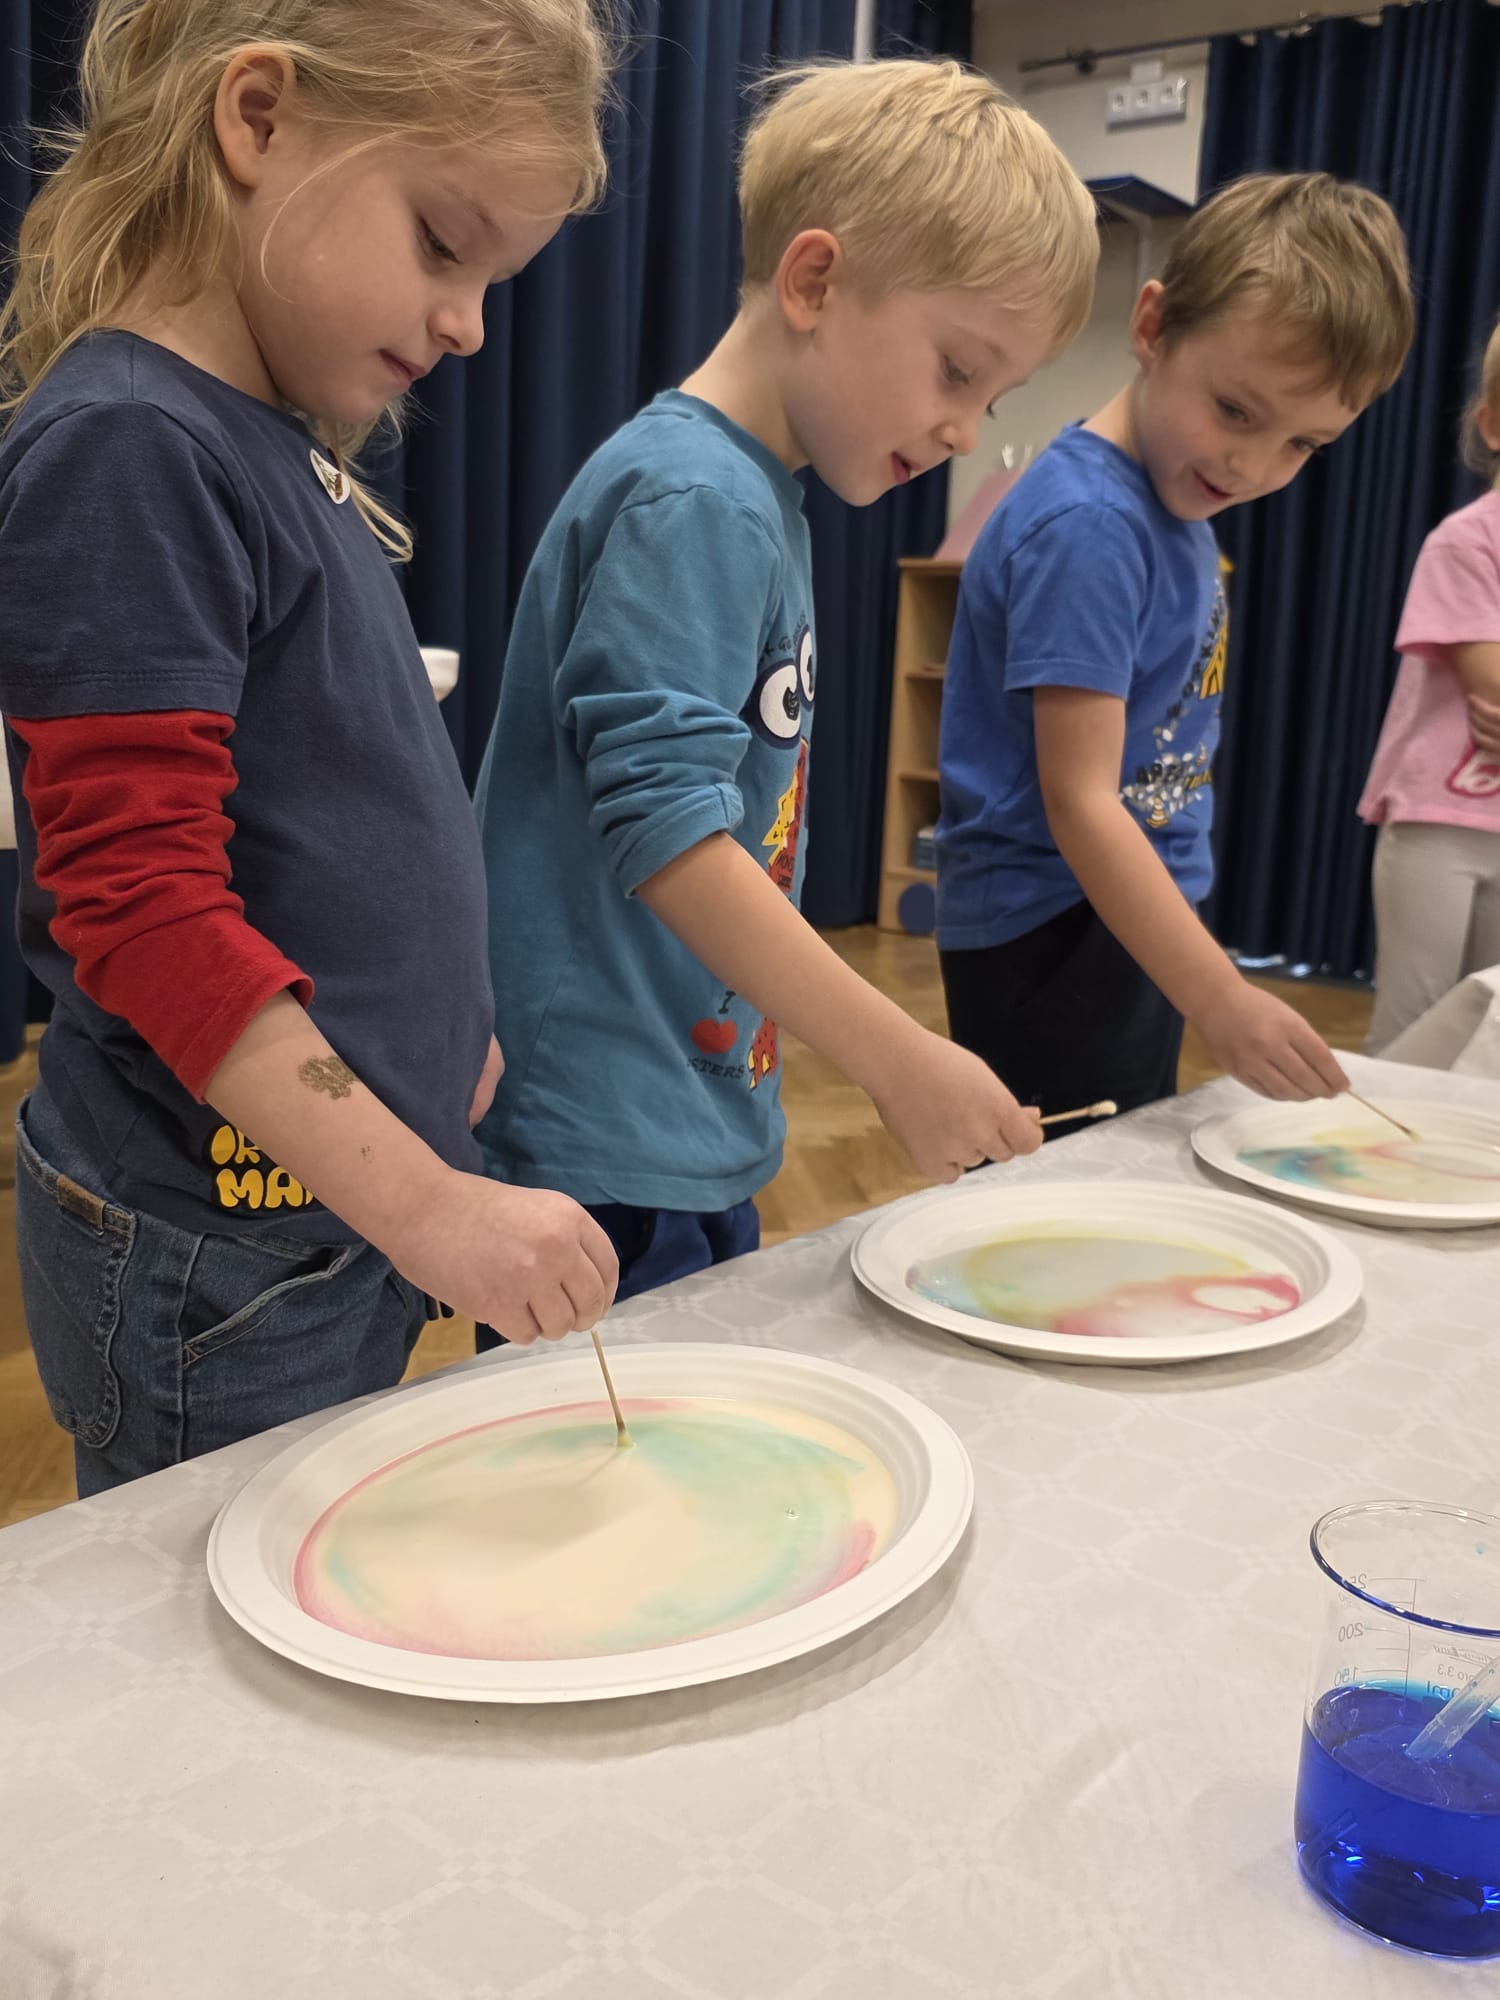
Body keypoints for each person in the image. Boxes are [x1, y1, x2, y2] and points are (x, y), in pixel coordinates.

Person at [0, 0, 621, 1495]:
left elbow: (325, 819)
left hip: (318, 1215)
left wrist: (429, 1032)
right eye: (443, 245)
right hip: (217, 1253)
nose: (470, 323)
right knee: (207, 1616)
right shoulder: (129, 447)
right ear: (259, 118)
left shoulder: (260, 439)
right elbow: (145, 911)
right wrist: (432, 1206)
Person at [473, 59, 1098, 1308]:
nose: (968, 428)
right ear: (815, 280)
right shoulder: (694, 497)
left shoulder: (756, 496)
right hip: (607, 1131)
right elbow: (667, 831)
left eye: (995, 397)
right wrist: (898, 1056)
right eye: (958, 370)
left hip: (686, 1105)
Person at [937, 173, 1414, 1131]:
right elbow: (1080, 800)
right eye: (1236, 411)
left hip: (1125, 911)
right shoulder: (1091, 525)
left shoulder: (1176, 501)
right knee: (1061, 1191)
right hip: (1051, 924)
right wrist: (1220, 997)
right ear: (1152, 326)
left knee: (1114, 1164)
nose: (1254, 465)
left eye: (1303, 446)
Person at [1359, 314, 1500, 1052]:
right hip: (1438, 823)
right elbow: (1492, 687)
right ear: (1492, 424)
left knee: (1488, 1036)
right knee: (1413, 1035)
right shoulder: (1465, 542)